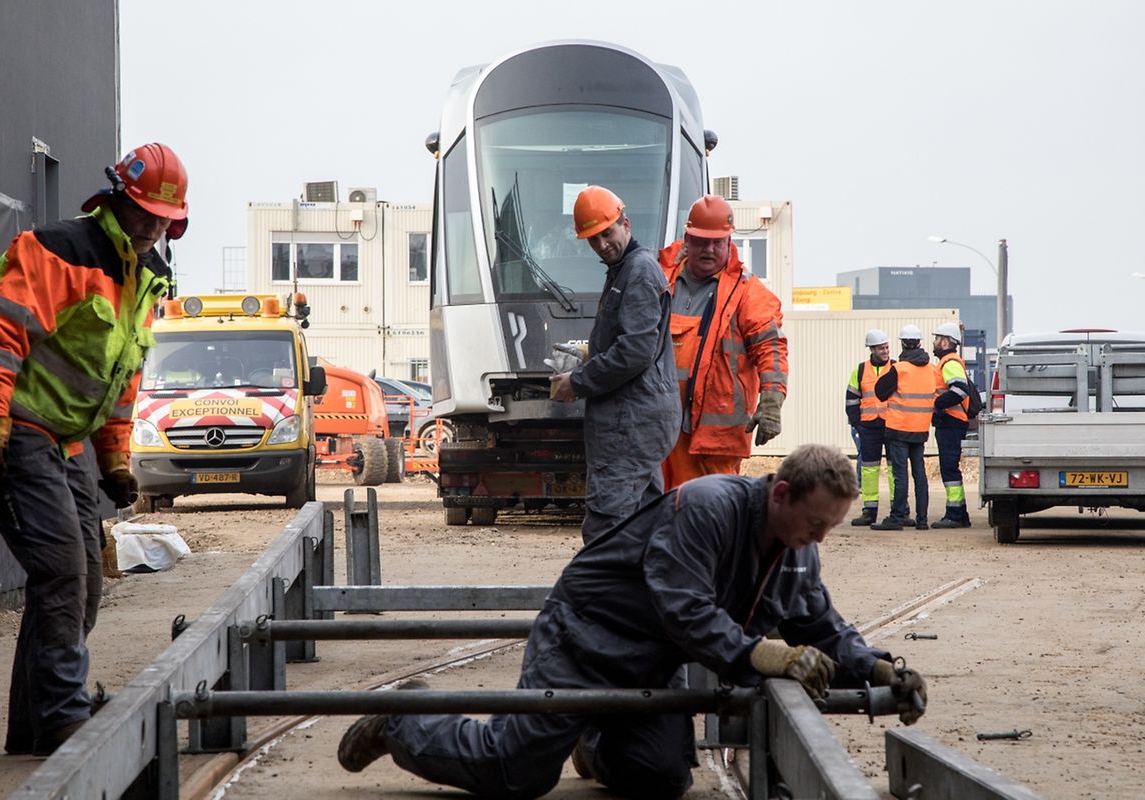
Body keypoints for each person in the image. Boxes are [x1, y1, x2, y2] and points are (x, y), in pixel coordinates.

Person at [335, 444, 927, 799]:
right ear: (782, 494)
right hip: (584, 642)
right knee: (516, 774)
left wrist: (875, 666)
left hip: (646, 665)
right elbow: (683, 608)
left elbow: (818, 620)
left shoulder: (796, 546)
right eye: (817, 524)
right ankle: (405, 721)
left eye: (829, 528)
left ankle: (594, 741)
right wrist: (759, 655)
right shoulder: (707, 508)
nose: (819, 539)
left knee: (662, 779)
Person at [0, 143, 187, 755]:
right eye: (144, 213)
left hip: (67, 441)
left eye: (164, 220)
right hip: (16, 427)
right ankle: (61, 716)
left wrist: (113, 454)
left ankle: (34, 725)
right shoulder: (60, 249)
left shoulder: (143, 282)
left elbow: (120, 378)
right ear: (117, 199)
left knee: (82, 579)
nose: (152, 228)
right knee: (59, 570)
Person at [547, 186, 679, 543]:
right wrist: (592, 354)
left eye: (607, 233)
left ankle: (606, 596)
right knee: (644, 521)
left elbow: (636, 350)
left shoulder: (637, 272)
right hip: (638, 418)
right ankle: (643, 594)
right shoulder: (625, 270)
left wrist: (578, 381)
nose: (602, 244)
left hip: (630, 421)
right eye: (593, 239)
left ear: (626, 224)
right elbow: (633, 340)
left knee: (608, 527)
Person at [657, 195, 788, 490]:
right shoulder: (659, 277)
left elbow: (771, 348)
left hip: (714, 438)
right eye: (702, 241)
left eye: (718, 242)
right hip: (659, 429)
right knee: (659, 514)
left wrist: (771, 403)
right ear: (687, 239)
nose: (710, 250)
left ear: (730, 241)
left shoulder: (747, 292)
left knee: (709, 516)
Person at [871, 324, 934, 531]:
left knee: (900, 474)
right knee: (919, 474)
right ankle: (922, 520)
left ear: (903, 344)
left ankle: (897, 517)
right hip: (920, 429)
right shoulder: (931, 368)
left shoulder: (899, 369)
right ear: (919, 343)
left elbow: (880, 392)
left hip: (899, 429)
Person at [845, 329, 895, 526]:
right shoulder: (860, 370)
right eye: (881, 348)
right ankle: (869, 510)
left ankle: (899, 508)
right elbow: (851, 399)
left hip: (891, 425)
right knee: (868, 469)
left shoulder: (895, 368)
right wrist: (857, 423)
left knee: (894, 469)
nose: (885, 351)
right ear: (872, 349)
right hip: (868, 427)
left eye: (886, 347)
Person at [930, 322, 972, 528]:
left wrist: (938, 404)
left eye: (937, 339)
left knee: (949, 468)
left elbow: (960, 390)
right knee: (950, 468)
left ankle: (954, 514)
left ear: (945, 342)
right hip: (951, 423)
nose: (934, 342)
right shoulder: (947, 362)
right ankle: (960, 513)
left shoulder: (950, 363)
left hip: (951, 423)